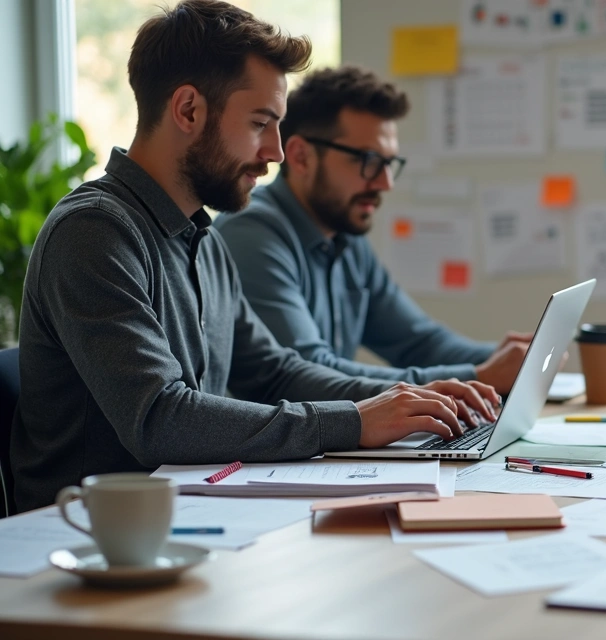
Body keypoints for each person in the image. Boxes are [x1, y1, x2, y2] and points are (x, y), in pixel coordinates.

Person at [10, 0, 498, 513]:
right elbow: (160, 418)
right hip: (84, 541)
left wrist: (405, 401)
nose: (277, 153)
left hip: (191, 514)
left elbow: (274, 373)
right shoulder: (95, 232)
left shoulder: (205, 241)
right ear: (188, 110)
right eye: (261, 123)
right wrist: (353, 420)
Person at [213, 66, 529, 395]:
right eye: (368, 160)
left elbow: (417, 341)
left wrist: (503, 358)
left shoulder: (344, 235)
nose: (385, 183)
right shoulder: (251, 233)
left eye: (389, 163)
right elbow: (306, 373)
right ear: (301, 157)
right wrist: (476, 377)